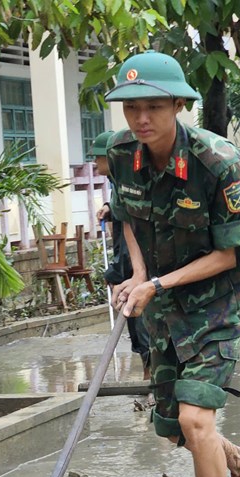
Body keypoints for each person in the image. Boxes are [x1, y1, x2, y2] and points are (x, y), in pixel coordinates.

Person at [104, 50, 240, 477]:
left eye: (152, 107)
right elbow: (126, 217)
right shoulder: (121, 153)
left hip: (216, 307)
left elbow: (230, 254)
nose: (140, 118)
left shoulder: (219, 163)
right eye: (131, 108)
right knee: (176, 430)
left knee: (197, 421)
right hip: (163, 312)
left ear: (178, 105)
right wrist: (138, 274)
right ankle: (239, 462)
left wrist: (155, 284)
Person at [92, 130, 151, 379]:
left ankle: (151, 378)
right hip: (129, 268)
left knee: (143, 326)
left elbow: (133, 236)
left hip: (135, 271)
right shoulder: (117, 183)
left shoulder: (133, 181)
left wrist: (118, 272)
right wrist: (109, 207)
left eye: (98, 157)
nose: (94, 162)